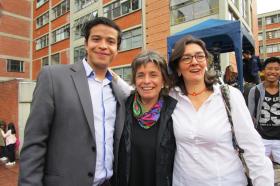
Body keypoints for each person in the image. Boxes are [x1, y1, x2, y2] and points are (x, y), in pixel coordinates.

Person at [19, 17, 126, 186]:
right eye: (96, 39)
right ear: (85, 43)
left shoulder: (119, 92)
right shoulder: (53, 78)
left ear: (116, 49)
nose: (103, 46)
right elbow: (35, 143)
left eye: (110, 41)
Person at [168, 35, 273, 186]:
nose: (195, 62)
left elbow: (252, 147)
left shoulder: (229, 95)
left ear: (206, 62)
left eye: (199, 56)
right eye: (186, 58)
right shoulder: (171, 98)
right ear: (177, 66)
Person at [117, 51, 177, 186]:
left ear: (163, 81)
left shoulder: (174, 111)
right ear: (135, 81)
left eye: (153, 75)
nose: (146, 81)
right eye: (140, 75)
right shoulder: (122, 108)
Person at [248, 57, 280, 166]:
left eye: (276, 69)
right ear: (263, 71)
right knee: (261, 170)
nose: (273, 72)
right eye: (269, 68)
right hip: (262, 139)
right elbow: (249, 116)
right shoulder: (254, 90)